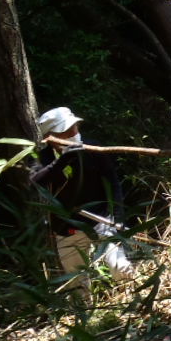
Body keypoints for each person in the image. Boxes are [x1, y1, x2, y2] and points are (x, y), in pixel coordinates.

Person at [31, 107, 135, 295]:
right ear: (50, 138)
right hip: (66, 227)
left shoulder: (92, 148)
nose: (73, 134)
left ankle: (131, 301)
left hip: (100, 220)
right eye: (66, 131)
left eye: (75, 128)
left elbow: (113, 182)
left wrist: (118, 216)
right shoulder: (44, 157)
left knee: (122, 268)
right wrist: (63, 159)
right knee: (76, 283)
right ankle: (86, 316)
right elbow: (37, 182)